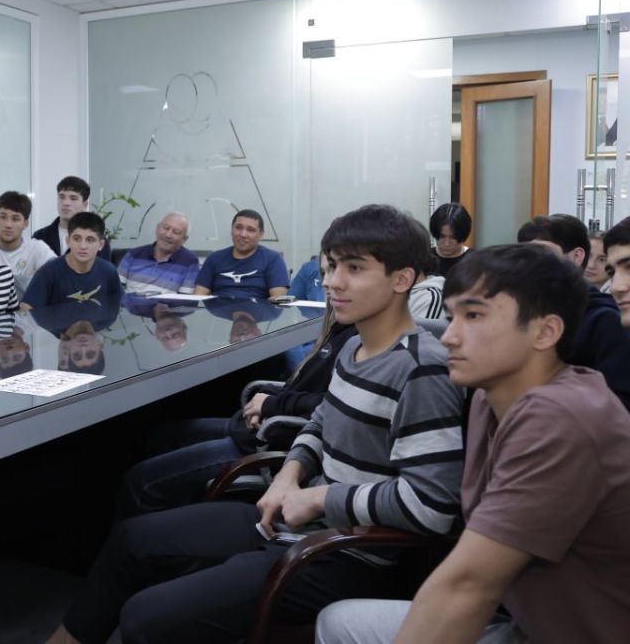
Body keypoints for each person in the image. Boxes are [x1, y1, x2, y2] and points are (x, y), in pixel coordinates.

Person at [48, 204, 464, 644]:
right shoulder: (354, 347)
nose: (332, 281)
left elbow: (430, 506)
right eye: (333, 266)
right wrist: (290, 474)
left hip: (345, 554)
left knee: (145, 617)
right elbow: (320, 422)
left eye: (354, 268)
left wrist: (320, 497)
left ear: (402, 279)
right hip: (293, 520)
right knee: (132, 541)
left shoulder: (422, 370)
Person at [316, 244, 630, 644]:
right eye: (452, 317)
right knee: (339, 622)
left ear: (546, 331)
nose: (449, 336)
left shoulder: (562, 417)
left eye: (474, 316)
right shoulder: (488, 394)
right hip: (524, 621)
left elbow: (468, 585)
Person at [115, 306, 355, 519]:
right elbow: (304, 387)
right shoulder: (340, 328)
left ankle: (142, 541)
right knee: (161, 435)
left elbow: (331, 404)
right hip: (257, 428)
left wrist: (272, 404)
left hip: (269, 443)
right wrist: (268, 400)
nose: (330, 283)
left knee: (140, 483)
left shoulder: (357, 339)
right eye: (328, 273)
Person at [516, 213, 630, 409]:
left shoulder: (604, 318)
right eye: (524, 256)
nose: (617, 287)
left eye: (541, 255)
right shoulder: (524, 314)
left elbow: (617, 406)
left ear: (576, 256)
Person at [22, 212, 123, 310]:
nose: (83, 246)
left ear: (101, 245)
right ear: (68, 241)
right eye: (77, 239)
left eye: (90, 240)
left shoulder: (109, 271)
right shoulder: (48, 272)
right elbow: (26, 307)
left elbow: (121, 305)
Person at [0, 191, 53, 298]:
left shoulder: (36, 248)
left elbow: (60, 272)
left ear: (25, 224)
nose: (8, 224)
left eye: (15, 219)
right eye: (3, 217)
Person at [193, 209, 289, 300]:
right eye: (238, 228)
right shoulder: (214, 258)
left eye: (250, 230)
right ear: (231, 230)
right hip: (218, 310)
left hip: (256, 310)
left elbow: (278, 300)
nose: (243, 234)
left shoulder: (273, 260)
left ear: (261, 235)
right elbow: (198, 296)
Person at [117, 212, 200, 295]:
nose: (168, 235)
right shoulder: (134, 254)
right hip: (129, 303)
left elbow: (185, 300)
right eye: (166, 228)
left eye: (176, 232)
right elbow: (115, 291)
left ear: (184, 239)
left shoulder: (189, 262)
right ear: (157, 228)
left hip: (166, 304)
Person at [32, 175, 113, 260]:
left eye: (73, 198)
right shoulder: (40, 236)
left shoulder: (95, 240)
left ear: (85, 205)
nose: (66, 203)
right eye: (61, 197)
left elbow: (102, 267)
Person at [429, 202, 472, 278]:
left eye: (453, 237)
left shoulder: (475, 261)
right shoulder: (425, 259)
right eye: (442, 236)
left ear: (462, 235)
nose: (447, 244)